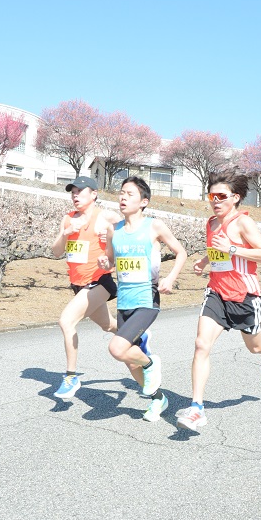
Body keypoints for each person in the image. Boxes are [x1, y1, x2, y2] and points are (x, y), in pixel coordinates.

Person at [176, 169, 261, 433]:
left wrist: (232, 249)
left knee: (255, 347)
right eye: (211, 196)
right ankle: (196, 408)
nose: (215, 201)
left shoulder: (243, 222)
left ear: (235, 198)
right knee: (201, 344)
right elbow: (218, 250)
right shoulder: (211, 223)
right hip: (216, 292)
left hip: (245, 294)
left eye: (221, 196)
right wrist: (205, 260)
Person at [99, 176, 187, 422]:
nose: (123, 197)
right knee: (130, 362)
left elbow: (181, 252)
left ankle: (150, 364)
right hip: (124, 302)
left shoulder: (153, 226)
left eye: (130, 194)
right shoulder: (113, 230)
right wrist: (105, 263)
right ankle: (158, 398)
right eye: (121, 192)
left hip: (147, 299)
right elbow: (111, 261)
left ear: (144, 202)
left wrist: (170, 278)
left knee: (117, 349)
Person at [52, 175, 123, 399]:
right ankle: (139, 336)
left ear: (94, 194)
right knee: (108, 325)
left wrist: (111, 235)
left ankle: (71, 377)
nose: (75, 196)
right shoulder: (68, 219)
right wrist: (66, 234)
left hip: (99, 280)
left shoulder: (106, 216)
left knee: (66, 321)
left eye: (80, 192)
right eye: (73, 192)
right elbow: (56, 251)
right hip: (78, 284)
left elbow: (130, 235)